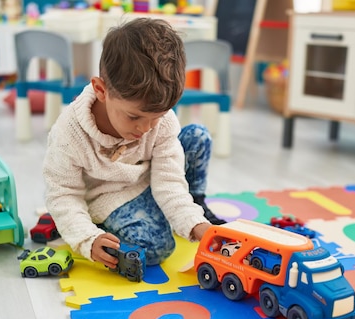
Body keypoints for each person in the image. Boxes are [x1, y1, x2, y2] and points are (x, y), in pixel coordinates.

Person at [42, 18, 225, 271]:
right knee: (158, 247)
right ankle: (99, 225)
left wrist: (195, 223)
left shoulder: (160, 122)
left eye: (157, 116)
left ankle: (190, 210)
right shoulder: (68, 133)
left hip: (152, 181)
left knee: (197, 137)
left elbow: (169, 182)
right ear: (101, 90)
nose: (146, 128)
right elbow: (63, 193)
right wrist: (87, 237)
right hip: (109, 197)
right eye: (134, 117)